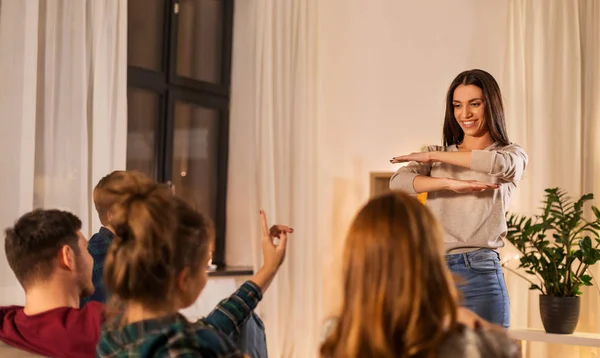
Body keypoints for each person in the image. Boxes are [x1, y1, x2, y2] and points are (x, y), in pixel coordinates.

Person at [95, 171, 292, 357]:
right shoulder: (186, 348)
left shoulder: (111, 340)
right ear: (184, 279)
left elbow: (207, 329)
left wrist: (268, 269)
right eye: (203, 266)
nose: (205, 275)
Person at [389, 69, 528, 328]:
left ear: (491, 104)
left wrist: (435, 158)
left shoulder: (510, 154)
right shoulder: (437, 154)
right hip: (433, 274)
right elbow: (398, 182)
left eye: (474, 104)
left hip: (479, 271)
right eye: (457, 105)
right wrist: (449, 183)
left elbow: (498, 165)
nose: (465, 114)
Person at [319, 192, 521, 358]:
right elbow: (509, 351)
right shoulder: (458, 343)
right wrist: (484, 330)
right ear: (430, 256)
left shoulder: (338, 336)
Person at [0, 209, 103, 357]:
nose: (91, 257)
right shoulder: (104, 327)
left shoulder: (5, 327)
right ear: (68, 257)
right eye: (87, 249)